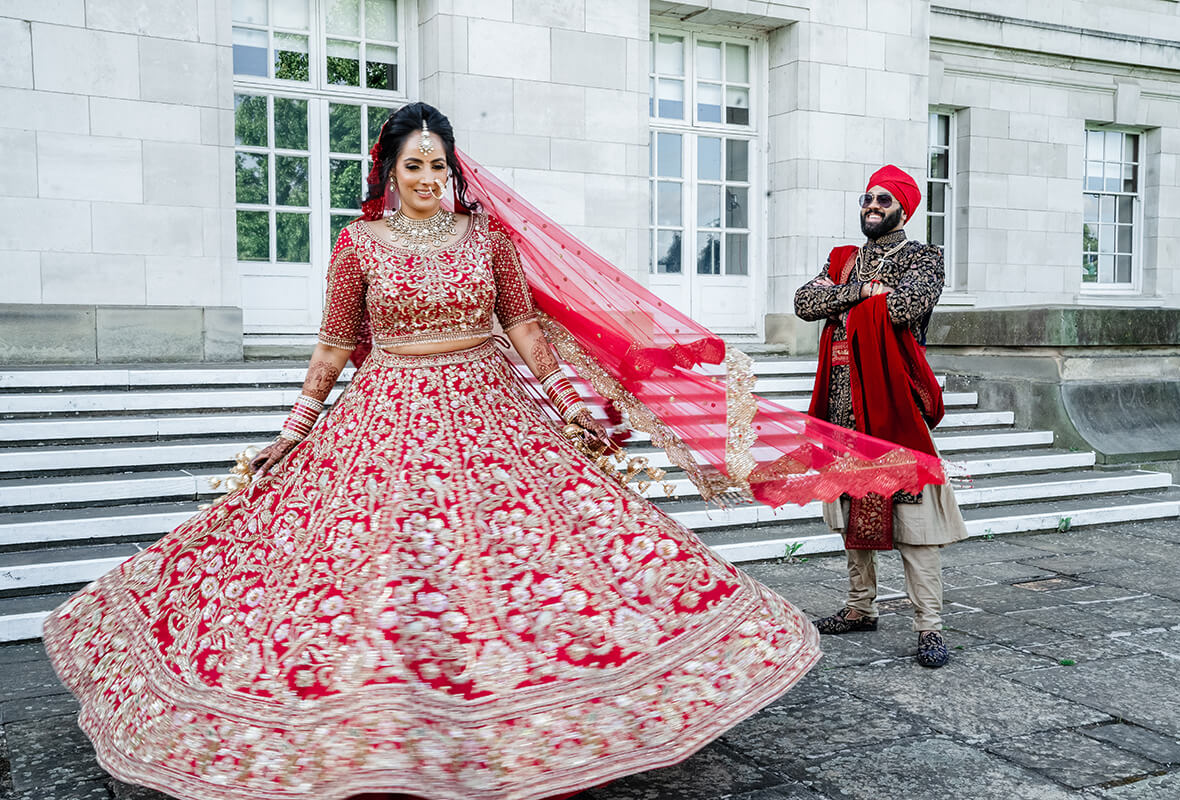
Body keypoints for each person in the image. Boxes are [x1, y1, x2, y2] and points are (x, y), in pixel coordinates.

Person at [44, 102, 830, 800]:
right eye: (413, 165)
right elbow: (334, 345)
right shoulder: (359, 244)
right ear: (389, 171)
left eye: (438, 165)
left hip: (493, 411)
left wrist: (568, 404)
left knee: (536, 556)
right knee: (379, 570)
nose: (427, 178)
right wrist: (295, 429)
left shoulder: (487, 239)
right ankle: (389, 733)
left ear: (454, 170)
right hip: (386, 415)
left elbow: (523, 328)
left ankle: (534, 723)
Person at [794, 165, 968, 669]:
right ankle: (859, 607)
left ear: (903, 210)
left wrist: (851, 303)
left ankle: (929, 627)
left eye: (884, 200)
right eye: (867, 198)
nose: (872, 206)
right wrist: (860, 293)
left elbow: (904, 307)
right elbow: (805, 302)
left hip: (893, 405)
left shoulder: (923, 257)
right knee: (851, 510)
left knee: (916, 519)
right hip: (842, 407)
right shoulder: (843, 261)